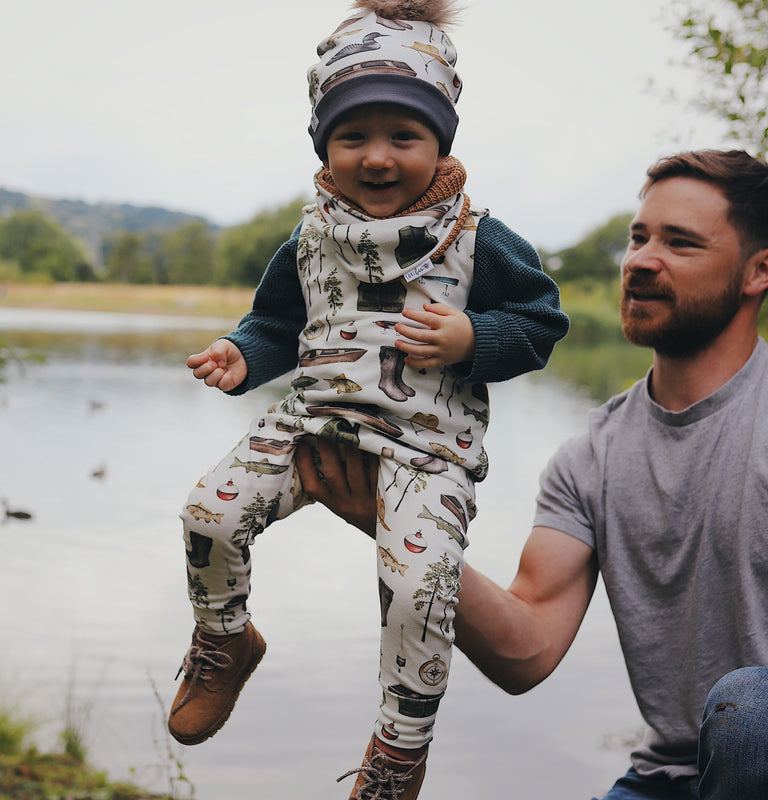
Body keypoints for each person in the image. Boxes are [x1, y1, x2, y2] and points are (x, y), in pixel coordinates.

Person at [168, 1, 569, 797]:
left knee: (421, 587)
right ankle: (224, 639)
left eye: (403, 138)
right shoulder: (311, 235)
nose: (377, 158)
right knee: (207, 511)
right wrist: (240, 357)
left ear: (440, 143)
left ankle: (398, 748)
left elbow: (540, 321)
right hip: (312, 421)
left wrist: (470, 339)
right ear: (324, 145)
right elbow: (278, 321)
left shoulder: (478, 238)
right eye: (354, 138)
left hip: (428, 451)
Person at [297, 148, 768, 800]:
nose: (641, 261)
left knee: (750, 711)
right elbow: (528, 647)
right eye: (639, 238)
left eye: (680, 243)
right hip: (668, 778)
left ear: (757, 272)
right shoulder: (592, 456)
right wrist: (394, 519)